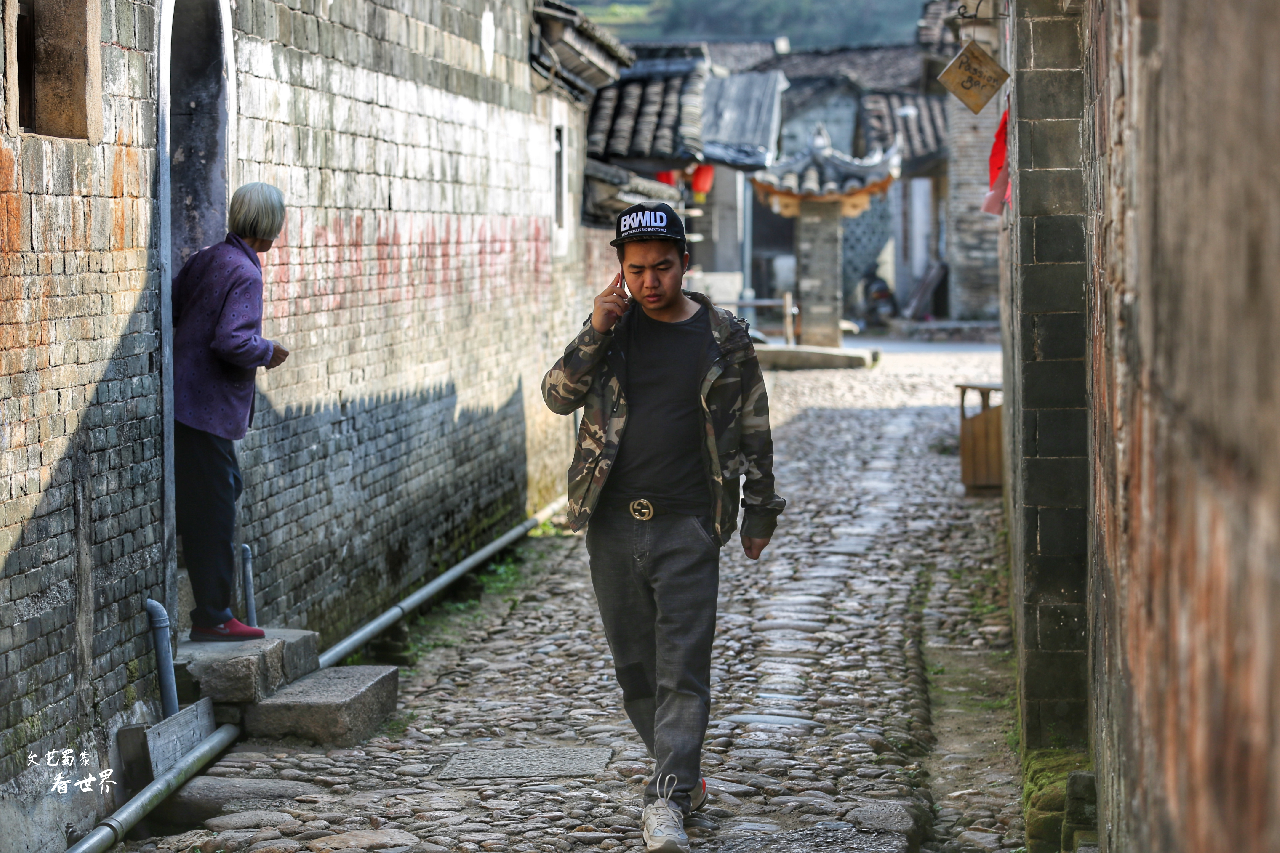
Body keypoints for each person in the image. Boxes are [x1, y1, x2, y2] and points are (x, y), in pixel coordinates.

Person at [542, 202, 785, 853]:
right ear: (620, 272)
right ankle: (681, 773)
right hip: (613, 525)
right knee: (635, 669)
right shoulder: (611, 332)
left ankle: (669, 798)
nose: (651, 281)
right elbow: (557, 394)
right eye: (637, 269)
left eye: (663, 267)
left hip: (687, 524)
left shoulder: (725, 338)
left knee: (684, 667)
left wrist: (760, 509)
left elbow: (755, 429)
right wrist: (594, 328)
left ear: (686, 263)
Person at [172, 182, 290, 642]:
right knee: (216, 512)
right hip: (207, 408)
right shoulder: (245, 272)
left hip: (188, 402)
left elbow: (178, 305)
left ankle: (213, 608)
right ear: (271, 226)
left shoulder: (207, 258)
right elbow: (232, 340)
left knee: (223, 490)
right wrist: (268, 350)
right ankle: (215, 616)